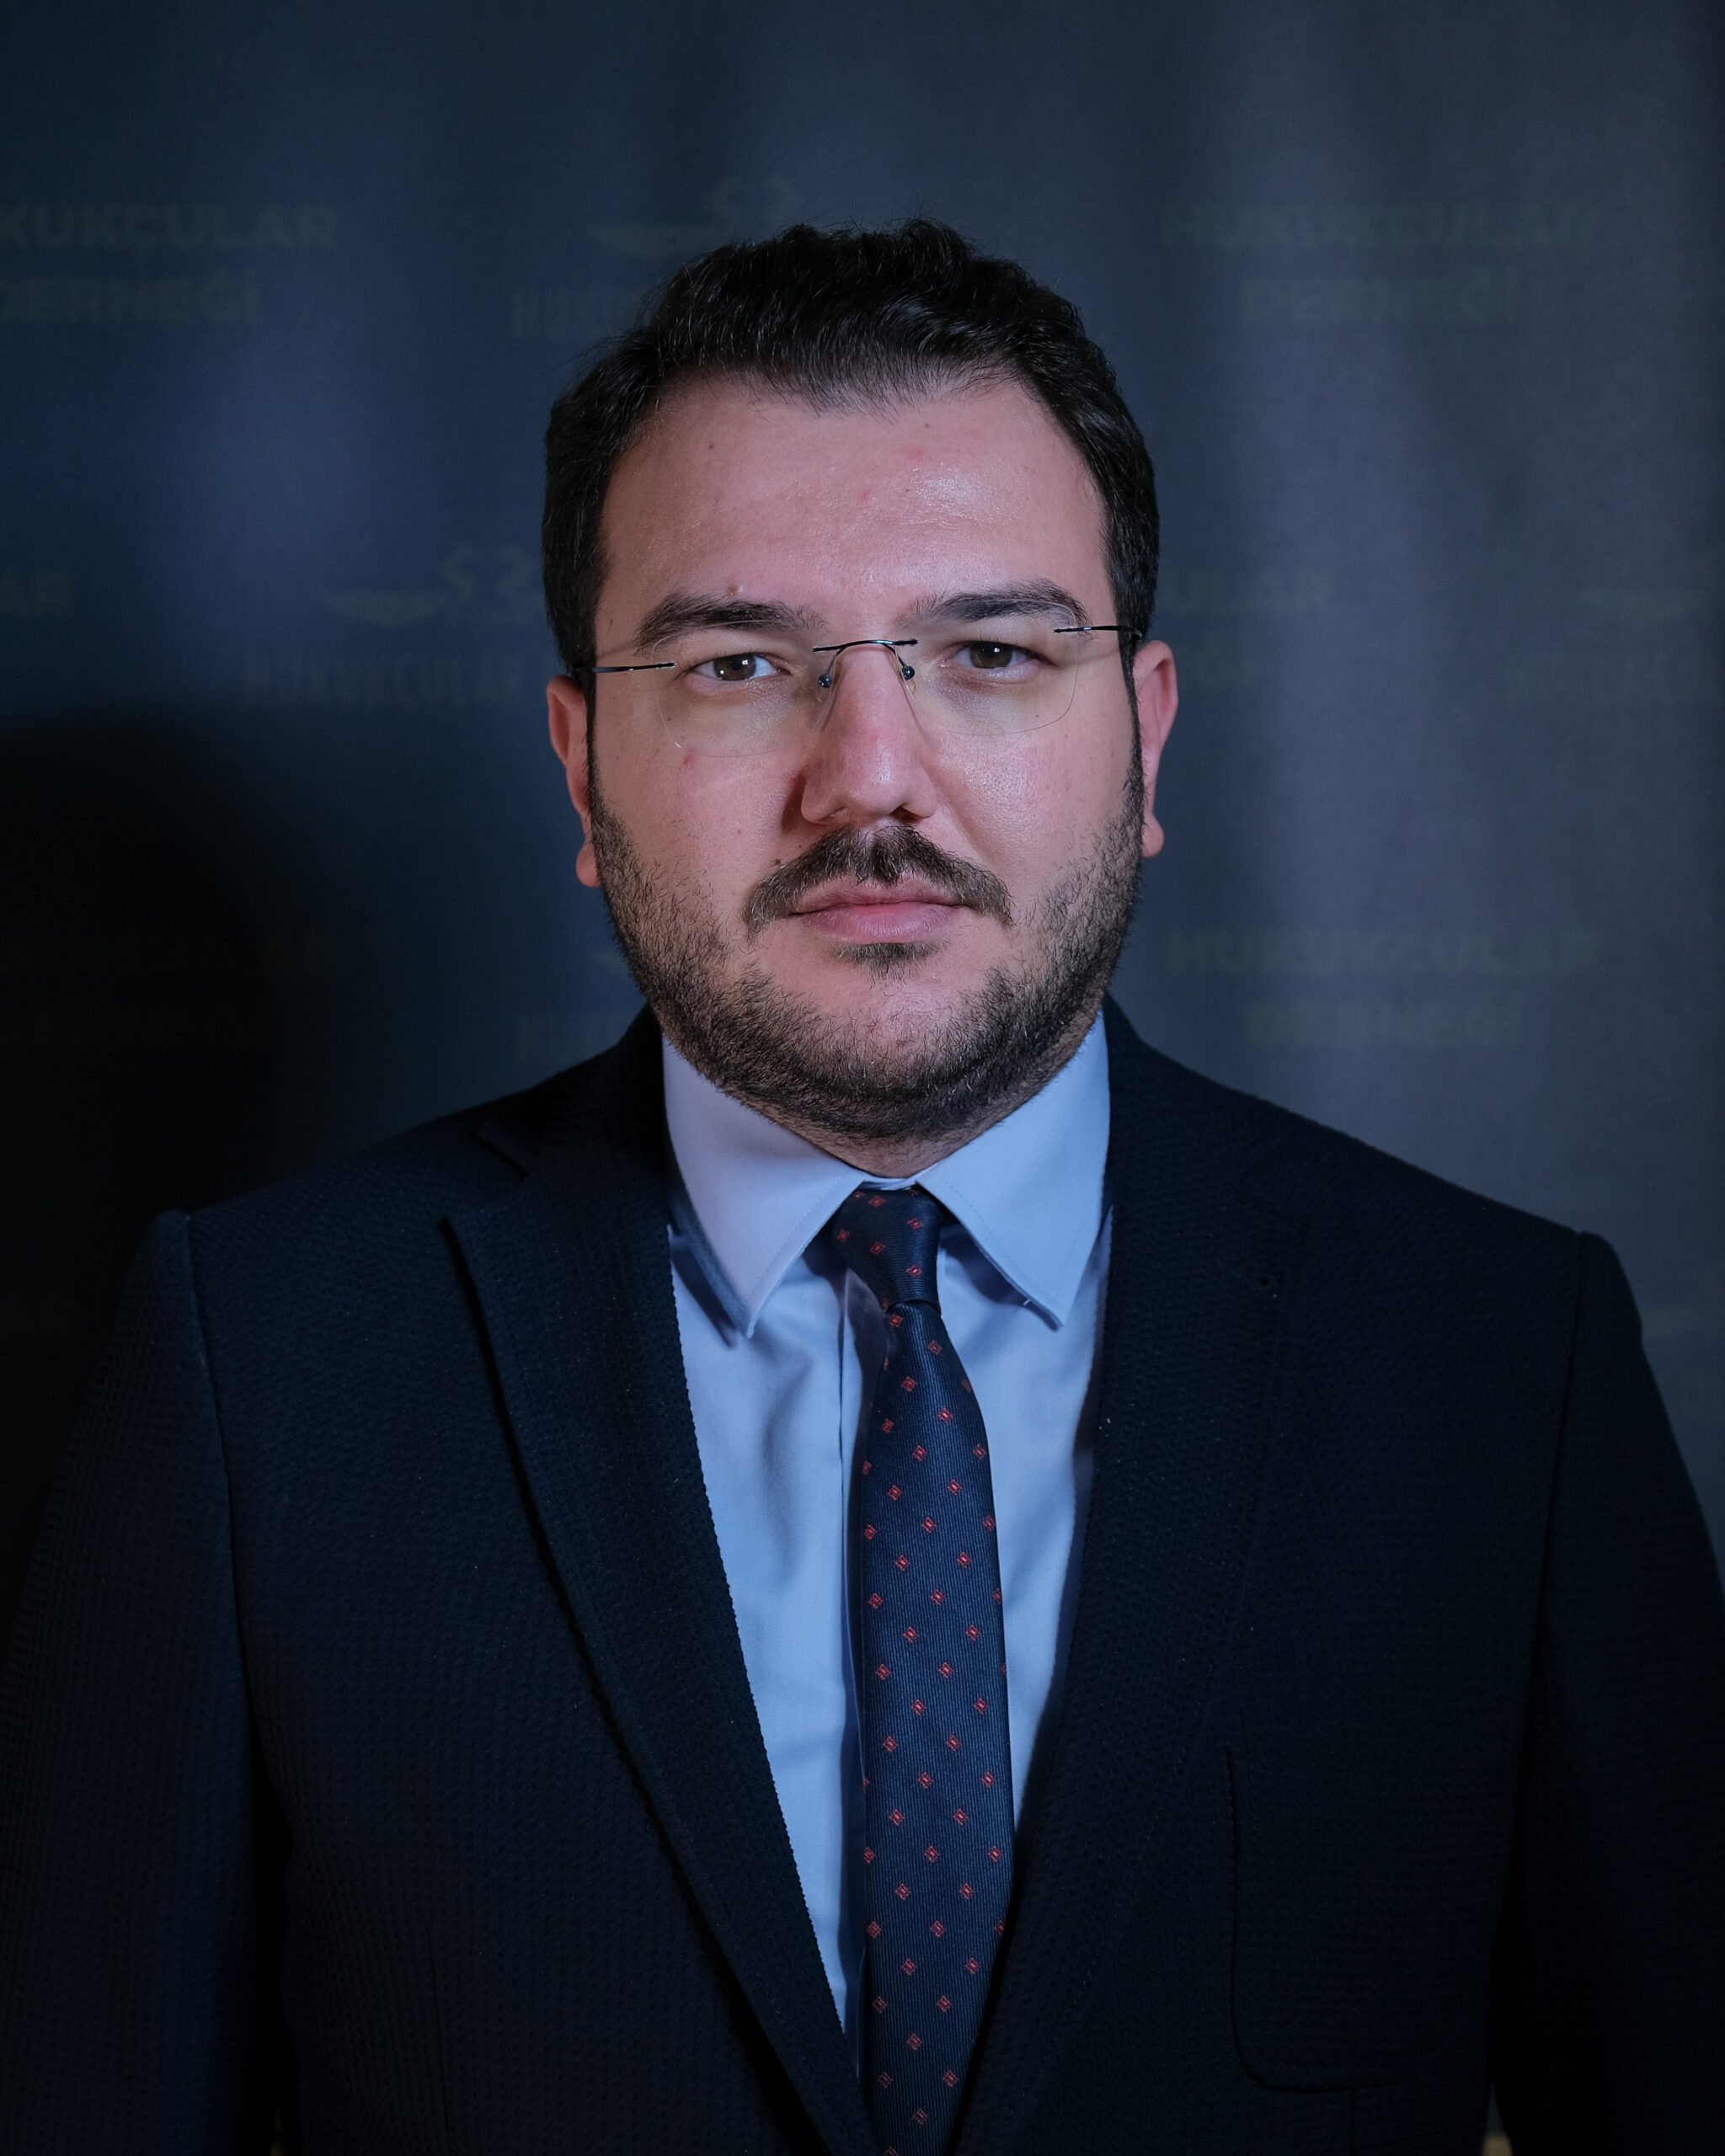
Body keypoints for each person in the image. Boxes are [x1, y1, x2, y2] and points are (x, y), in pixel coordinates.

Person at [1, 220, 1720, 2156]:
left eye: (991, 652)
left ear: (1145, 736)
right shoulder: (256, 1376)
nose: (871, 779)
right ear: (582, 768)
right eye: (740, 663)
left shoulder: (1505, 1371)